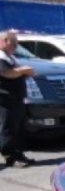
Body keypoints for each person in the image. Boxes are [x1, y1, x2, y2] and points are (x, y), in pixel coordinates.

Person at [0, 30, 36, 167]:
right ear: (4, 41)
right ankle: (10, 156)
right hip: (5, 98)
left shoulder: (10, 57)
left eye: (17, 43)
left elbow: (17, 73)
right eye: (13, 43)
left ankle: (18, 154)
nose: (16, 46)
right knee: (8, 128)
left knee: (18, 128)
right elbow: (6, 73)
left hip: (16, 98)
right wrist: (24, 70)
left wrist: (26, 72)